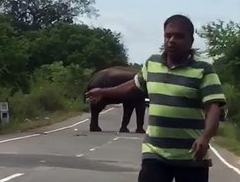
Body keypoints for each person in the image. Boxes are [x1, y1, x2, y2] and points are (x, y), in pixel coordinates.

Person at [85, 14, 227, 182]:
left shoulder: (204, 70)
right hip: (155, 153)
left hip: (191, 156)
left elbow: (213, 108)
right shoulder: (152, 64)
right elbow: (132, 85)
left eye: (179, 36)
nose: (172, 40)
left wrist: (205, 137)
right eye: (168, 35)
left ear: (191, 40)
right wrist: (104, 92)